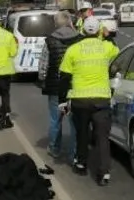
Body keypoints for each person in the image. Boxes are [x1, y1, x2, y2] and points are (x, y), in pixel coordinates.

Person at [58, 17, 119, 186]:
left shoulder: (73, 49)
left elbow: (64, 77)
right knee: (102, 137)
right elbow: (116, 50)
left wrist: (63, 101)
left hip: (80, 100)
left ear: (82, 31)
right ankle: (104, 172)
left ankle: (81, 163)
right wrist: (107, 36)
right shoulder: (106, 47)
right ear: (99, 30)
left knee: (82, 133)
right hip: (101, 100)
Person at [38, 11, 82, 160]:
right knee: (74, 122)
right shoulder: (79, 39)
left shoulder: (49, 41)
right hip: (75, 86)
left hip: (55, 86)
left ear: (56, 24)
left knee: (55, 119)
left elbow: (43, 65)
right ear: (70, 22)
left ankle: (54, 148)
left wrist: (42, 79)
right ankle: (74, 152)